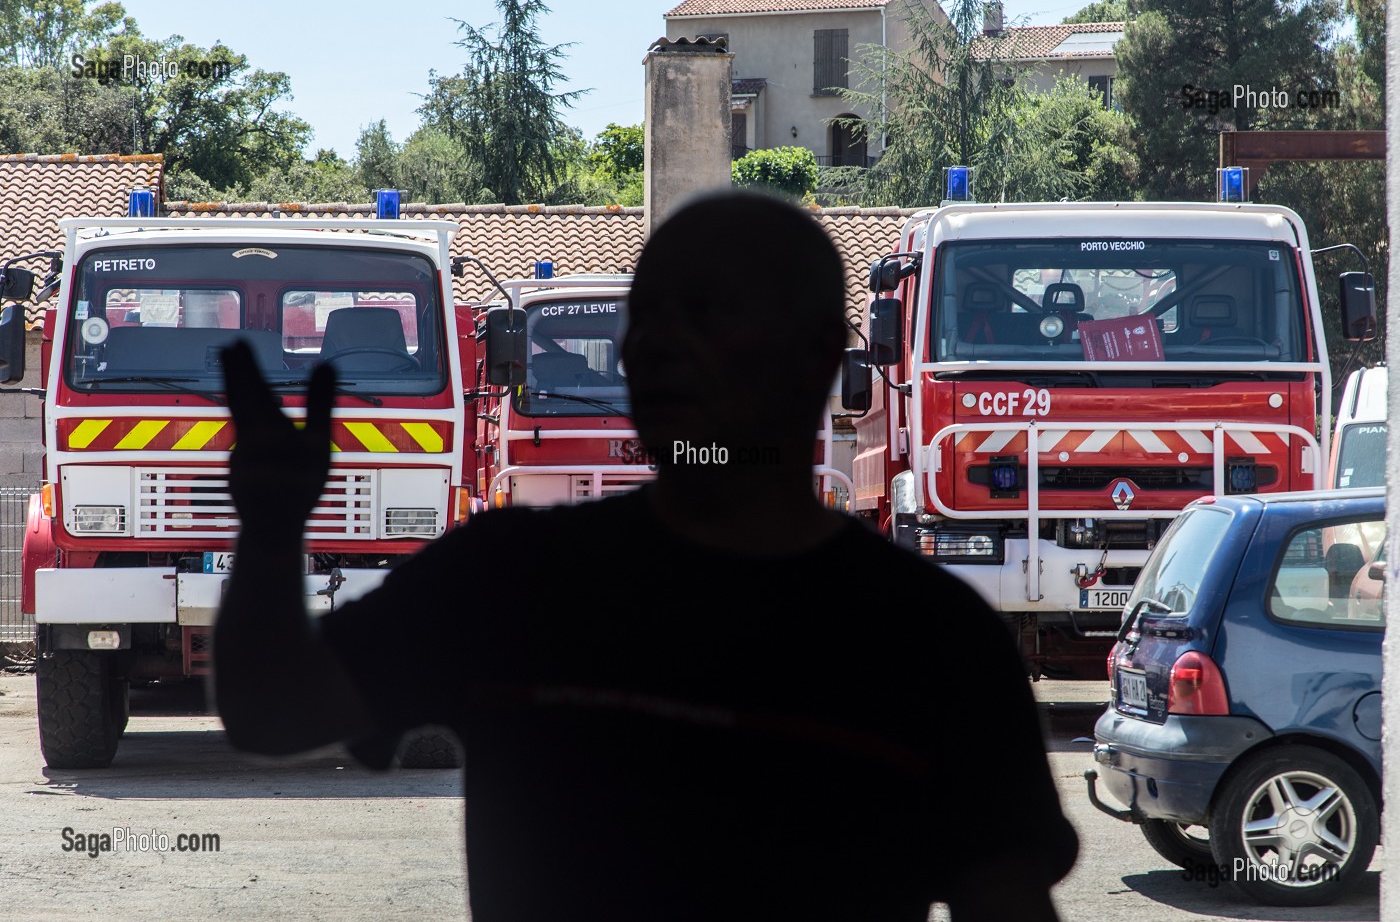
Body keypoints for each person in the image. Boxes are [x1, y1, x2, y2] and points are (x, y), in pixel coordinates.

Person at [214, 190, 1078, 922]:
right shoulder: (509, 577)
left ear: (821, 352)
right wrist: (270, 523)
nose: (653, 344)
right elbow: (270, 712)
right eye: (648, 313)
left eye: (703, 312)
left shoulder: (936, 646)